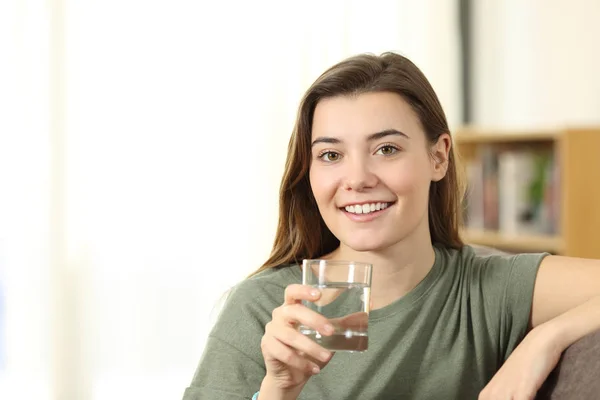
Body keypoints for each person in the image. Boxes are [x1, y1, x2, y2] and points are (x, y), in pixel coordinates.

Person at [182, 52, 600, 400]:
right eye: (330, 155)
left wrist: (544, 340)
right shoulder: (263, 307)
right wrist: (277, 389)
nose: (358, 178)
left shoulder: (489, 289)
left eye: (386, 149)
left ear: (438, 158)